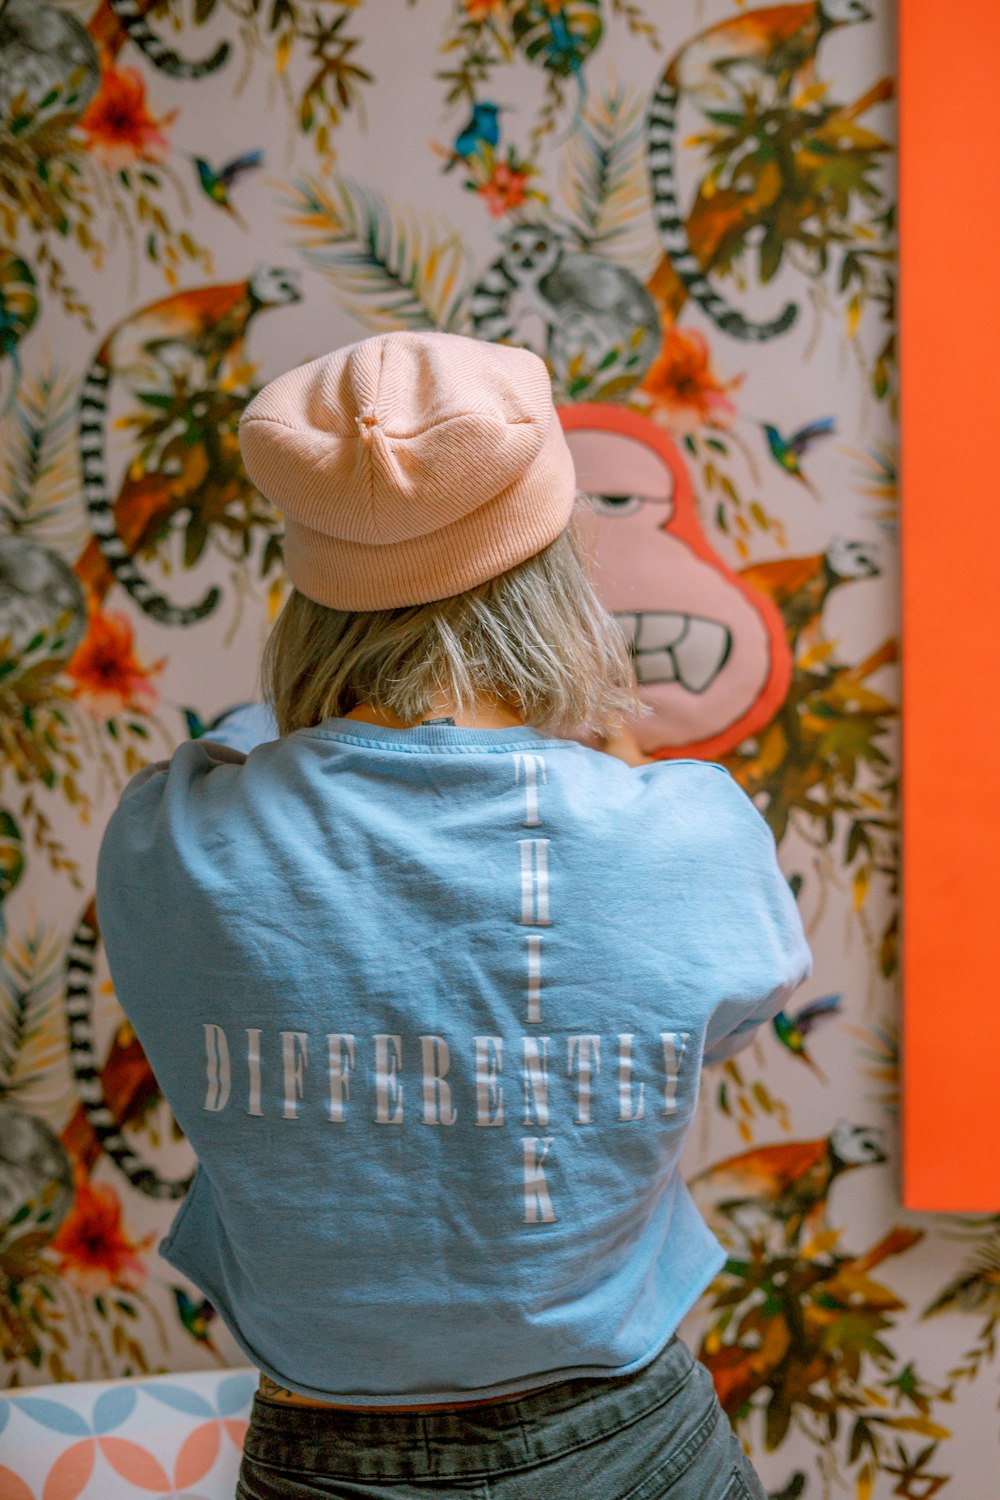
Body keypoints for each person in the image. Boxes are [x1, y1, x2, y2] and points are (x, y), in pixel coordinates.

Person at [96, 330, 812, 1500]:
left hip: (317, 1460)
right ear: (551, 572)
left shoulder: (169, 834)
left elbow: (254, 739)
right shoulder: (684, 832)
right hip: (629, 1450)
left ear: (309, 585)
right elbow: (724, 1016)